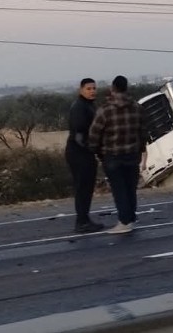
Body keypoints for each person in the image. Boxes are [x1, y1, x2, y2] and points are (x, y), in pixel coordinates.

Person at [88, 75, 147, 235]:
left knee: (119, 189)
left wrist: (96, 151)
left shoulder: (105, 111)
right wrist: (140, 150)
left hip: (112, 156)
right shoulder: (137, 108)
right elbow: (143, 132)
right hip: (132, 155)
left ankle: (124, 221)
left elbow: (94, 135)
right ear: (126, 88)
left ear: (112, 88)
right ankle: (131, 217)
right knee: (130, 188)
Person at [66, 78, 103, 233]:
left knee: (87, 188)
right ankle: (81, 222)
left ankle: (85, 219)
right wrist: (92, 149)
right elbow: (79, 135)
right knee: (82, 187)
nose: (92, 91)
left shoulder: (89, 106)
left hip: (85, 152)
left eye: (94, 88)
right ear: (81, 90)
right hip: (79, 153)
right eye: (88, 88)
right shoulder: (79, 107)